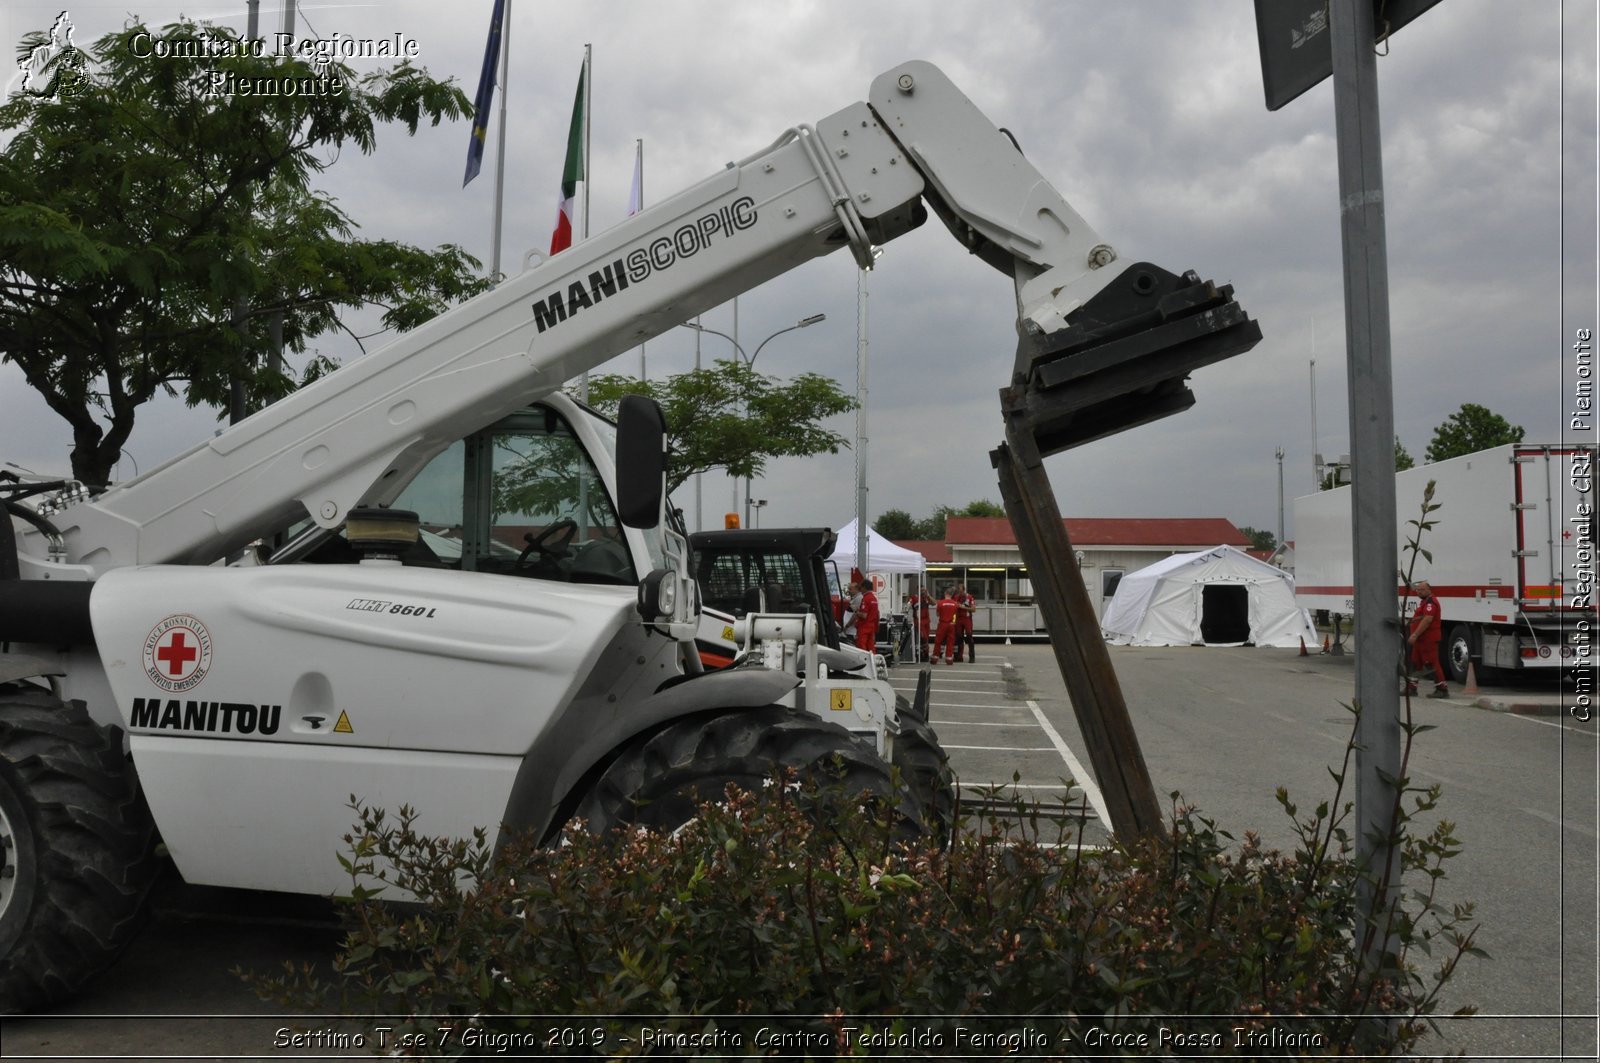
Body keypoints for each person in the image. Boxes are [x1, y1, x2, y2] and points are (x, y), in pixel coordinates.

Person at [1405, 579, 1448, 698]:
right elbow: (1422, 617)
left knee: (1431, 664)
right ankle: (1411, 688)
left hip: (1427, 639)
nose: (1419, 592)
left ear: (1429, 590)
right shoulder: (1424, 602)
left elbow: (1428, 619)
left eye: (1422, 589)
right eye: (1418, 590)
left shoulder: (1430, 603)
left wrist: (1415, 634)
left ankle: (1442, 689)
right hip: (1421, 641)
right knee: (1415, 663)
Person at [932, 586, 960, 664]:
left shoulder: (940, 603)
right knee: (950, 642)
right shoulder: (955, 604)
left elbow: (937, 614)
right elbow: (955, 615)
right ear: (952, 594)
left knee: (938, 641)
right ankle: (949, 658)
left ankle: (935, 658)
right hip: (951, 624)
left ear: (945, 593)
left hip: (942, 624)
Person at [854, 574, 880, 654]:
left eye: (861, 588)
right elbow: (877, 613)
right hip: (872, 626)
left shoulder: (866, 598)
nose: (860, 590)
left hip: (864, 626)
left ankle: (865, 664)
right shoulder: (874, 598)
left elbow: (864, 615)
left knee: (862, 646)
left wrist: (857, 612)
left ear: (864, 587)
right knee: (871, 646)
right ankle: (874, 662)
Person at [953, 583, 976, 663]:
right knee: (958, 638)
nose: (959, 590)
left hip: (967, 619)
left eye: (960, 588)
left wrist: (963, 607)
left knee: (969, 637)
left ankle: (972, 657)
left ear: (964, 589)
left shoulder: (969, 597)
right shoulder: (956, 597)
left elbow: (973, 609)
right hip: (958, 619)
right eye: (958, 588)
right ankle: (958, 657)